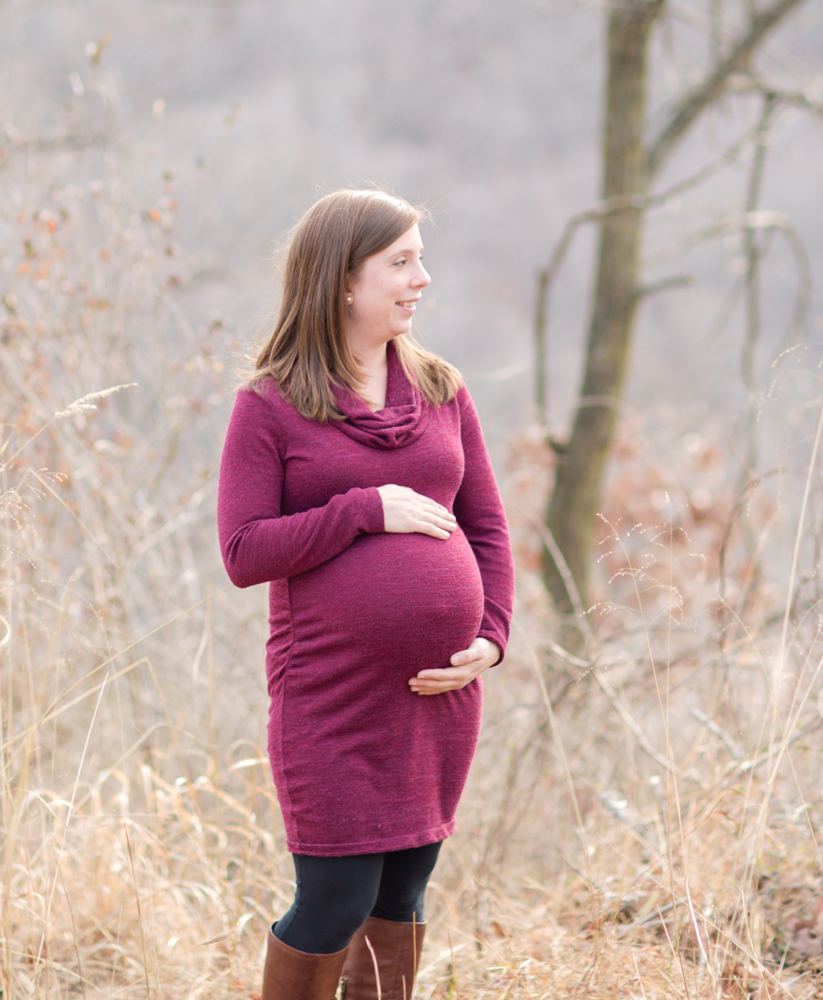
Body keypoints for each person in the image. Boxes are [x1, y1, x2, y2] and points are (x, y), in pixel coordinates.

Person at [216, 189, 514, 1000]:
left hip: (437, 699)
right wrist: (363, 509)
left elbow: (485, 525)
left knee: (401, 898)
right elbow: (243, 552)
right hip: (333, 700)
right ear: (344, 280)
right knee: (335, 901)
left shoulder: (443, 389)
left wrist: (490, 636)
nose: (424, 277)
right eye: (402, 261)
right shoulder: (270, 406)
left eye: (420, 257)